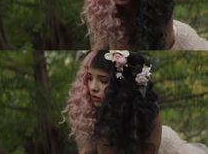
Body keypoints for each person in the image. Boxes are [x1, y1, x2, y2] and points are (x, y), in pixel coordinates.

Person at [64, 50, 208, 154]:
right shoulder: (90, 111)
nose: (93, 87)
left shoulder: (148, 112)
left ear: (120, 85)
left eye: (103, 80)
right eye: (89, 78)